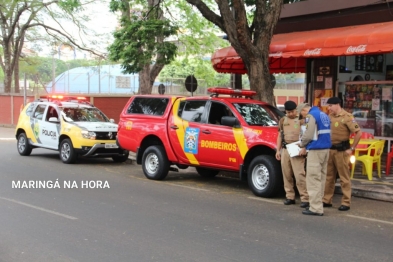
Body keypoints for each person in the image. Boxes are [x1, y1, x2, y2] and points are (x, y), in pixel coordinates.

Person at [323, 97, 362, 211]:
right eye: (328, 106)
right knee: (329, 177)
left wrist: (352, 148)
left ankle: (346, 202)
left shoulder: (347, 117)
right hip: (330, 150)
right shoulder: (329, 117)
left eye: (330, 105)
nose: (329, 108)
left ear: (337, 104)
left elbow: (358, 133)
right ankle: (327, 200)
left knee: (344, 177)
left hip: (342, 151)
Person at [297, 103, 331, 216]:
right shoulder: (323, 114)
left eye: (301, 113)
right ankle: (318, 203)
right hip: (326, 149)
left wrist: (302, 144)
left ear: (303, 110)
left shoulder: (311, 116)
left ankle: (315, 208)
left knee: (313, 179)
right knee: (321, 177)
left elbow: (308, 134)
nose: (302, 116)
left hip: (316, 149)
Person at [275, 101, 309, 208]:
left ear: (296, 110)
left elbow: (306, 134)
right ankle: (290, 196)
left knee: (299, 174)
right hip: (285, 149)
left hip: (297, 149)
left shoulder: (301, 120)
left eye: (292, 111)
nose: (290, 114)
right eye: (288, 112)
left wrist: (304, 148)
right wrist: (278, 150)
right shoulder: (282, 120)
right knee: (286, 174)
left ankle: (305, 198)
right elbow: (280, 135)